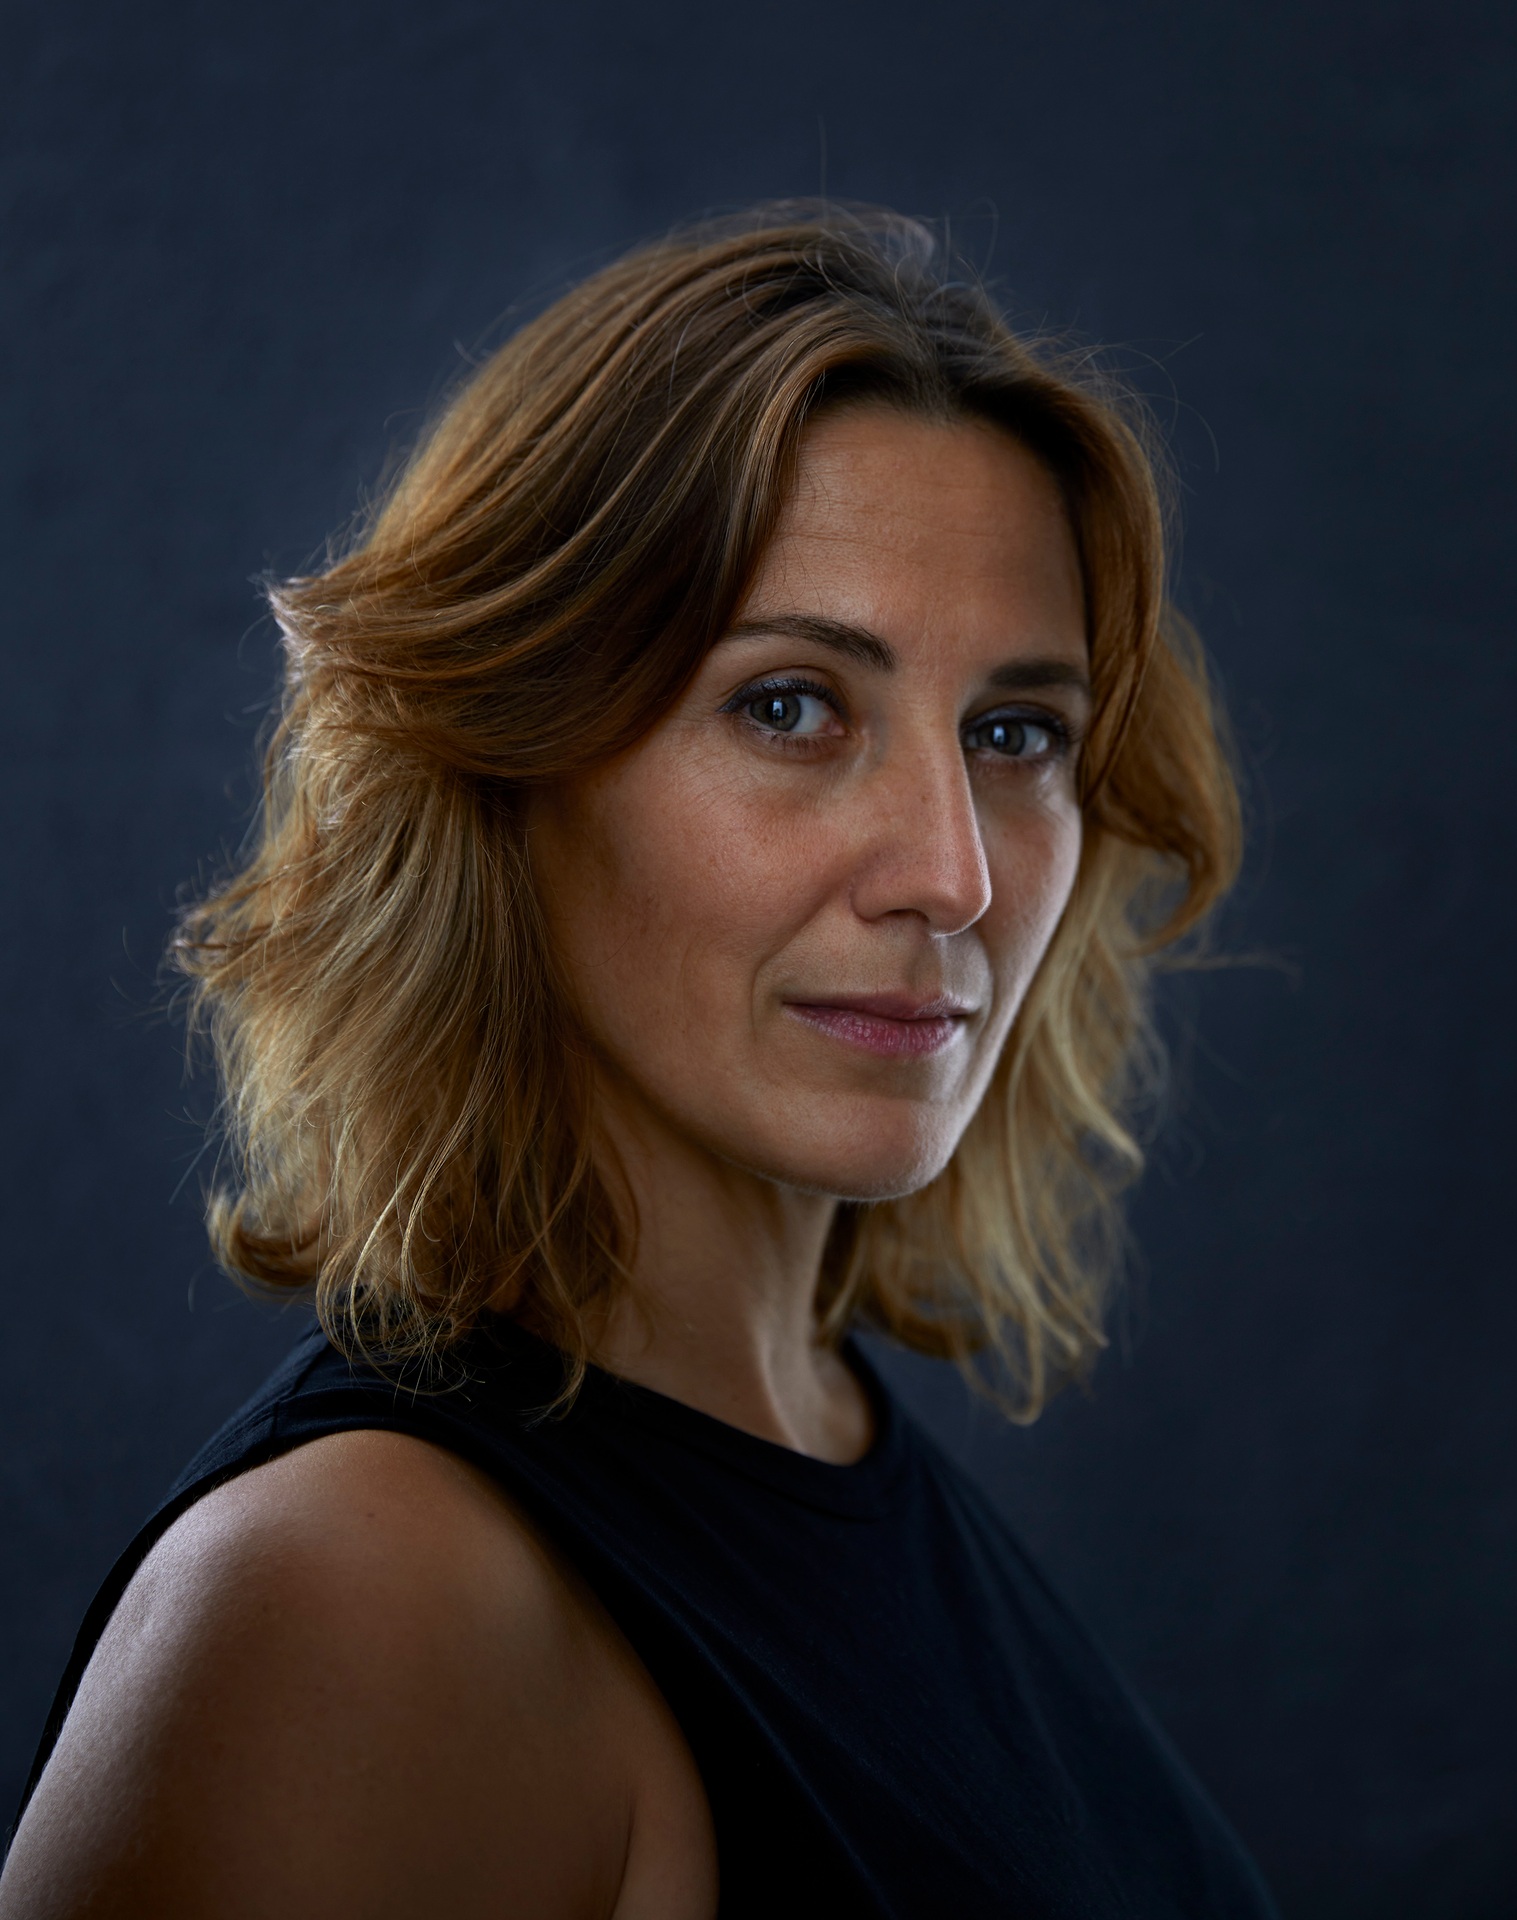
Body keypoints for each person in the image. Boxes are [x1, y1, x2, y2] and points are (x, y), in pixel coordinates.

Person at [1, 205, 1277, 1918]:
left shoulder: (828, 1450)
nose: (954, 872)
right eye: (789, 706)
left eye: (1013, 732)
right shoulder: (361, 1598)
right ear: (510, 762)